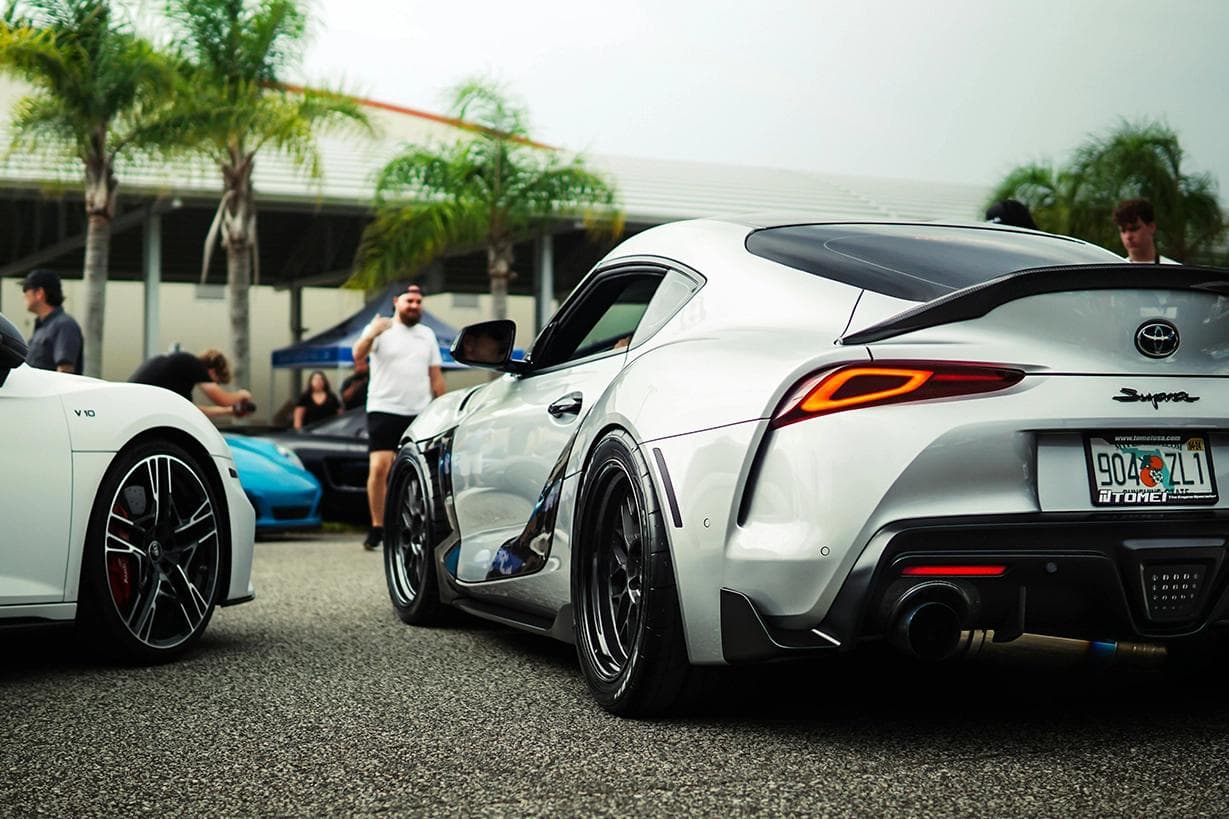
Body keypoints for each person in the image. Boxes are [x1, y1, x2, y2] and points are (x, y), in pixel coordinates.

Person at [353, 284, 446, 551]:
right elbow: (358, 355)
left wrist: (442, 408)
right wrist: (372, 332)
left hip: (418, 411)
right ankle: (377, 528)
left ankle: (414, 526)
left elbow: (435, 377)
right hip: (384, 408)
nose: (414, 306)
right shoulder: (380, 328)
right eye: (409, 301)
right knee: (379, 468)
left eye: (418, 301)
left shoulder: (427, 335)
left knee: (418, 470)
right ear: (396, 302)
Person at [129, 348, 254, 419]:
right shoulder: (194, 364)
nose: (216, 385)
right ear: (213, 372)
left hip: (136, 406)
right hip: (143, 406)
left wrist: (228, 411)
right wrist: (243, 394)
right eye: (217, 382)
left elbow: (193, 412)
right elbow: (223, 400)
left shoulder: (178, 375)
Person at [20, 269, 83, 374]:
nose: (24, 295)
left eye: (26, 289)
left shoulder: (65, 325)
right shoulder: (43, 326)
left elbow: (65, 370)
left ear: (39, 293)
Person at [1114, 198, 1179, 264]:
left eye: (1134, 229)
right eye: (1123, 230)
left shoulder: (1175, 269)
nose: (1128, 236)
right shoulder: (1115, 269)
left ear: (1151, 227)